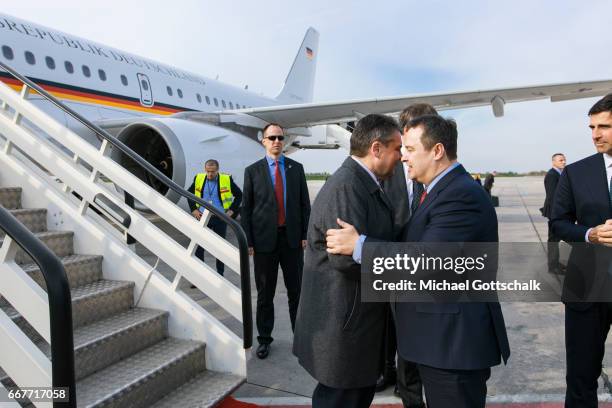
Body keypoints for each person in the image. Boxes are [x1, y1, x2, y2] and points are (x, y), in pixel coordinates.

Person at [326, 115, 510, 408]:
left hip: (453, 346)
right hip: (439, 341)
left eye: (410, 149)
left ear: (437, 151)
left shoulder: (460, 195)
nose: (403, 158)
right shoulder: (438, 191)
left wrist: (359, 245)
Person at [293, 114, 401, 408]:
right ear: (376, 148)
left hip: (355, 325)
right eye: (397, 149)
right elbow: (345, 260)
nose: (401, 157)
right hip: (343, 329)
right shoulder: (347, 187)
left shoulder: (363, 183)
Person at [551, 94, 612, 407]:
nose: (596, 134)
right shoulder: (576, 172)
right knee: (581, 375)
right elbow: (559, 222)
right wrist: (589, 234)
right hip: (587, 284)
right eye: (592, 127)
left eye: (604, 126)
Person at [375, 104, 437, 408]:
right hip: (394, 255)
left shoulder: (438, 169)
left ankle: (410, 381)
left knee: (416, 327)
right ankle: (391, 375)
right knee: (390, 323)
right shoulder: (394, 165)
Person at [241, 123, 310, 360]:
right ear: (264, 141)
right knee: (265, 294)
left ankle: (300, 337)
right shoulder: (252, 171)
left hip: (291, 241)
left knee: (296, 292)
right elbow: (246, 209)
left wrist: (305, 234)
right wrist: (248, 240)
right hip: (263, 243)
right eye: (272, 137)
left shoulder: (296, 168)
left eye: (281, 137)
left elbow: (304, 205)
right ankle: (264, 339)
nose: (277, 141)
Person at [187, 159, 242, 276]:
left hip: (220, 218)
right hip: (201, 216)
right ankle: (199, 276)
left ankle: (220, 274)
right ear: (204, 169)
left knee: (219, 248)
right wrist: (194, 210)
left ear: (218, 170)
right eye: (208, 171)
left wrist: (232, 210)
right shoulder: (199, 178)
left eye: (212, 171)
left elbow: (239, 195)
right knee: (199, 247)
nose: (210, 174)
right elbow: (189, 193)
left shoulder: (226, 179)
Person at [541, 153, 566, 274]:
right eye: (561, 160)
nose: (564, 162)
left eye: (564, 160)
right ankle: (552, 266)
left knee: (555, 239)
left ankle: (555, 263)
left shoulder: (558, 173)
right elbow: (552, 196)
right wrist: (557, 213)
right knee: (553, 239)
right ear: (554, 162)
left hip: (556, 211)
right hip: (554, 212)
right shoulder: (552, 175)